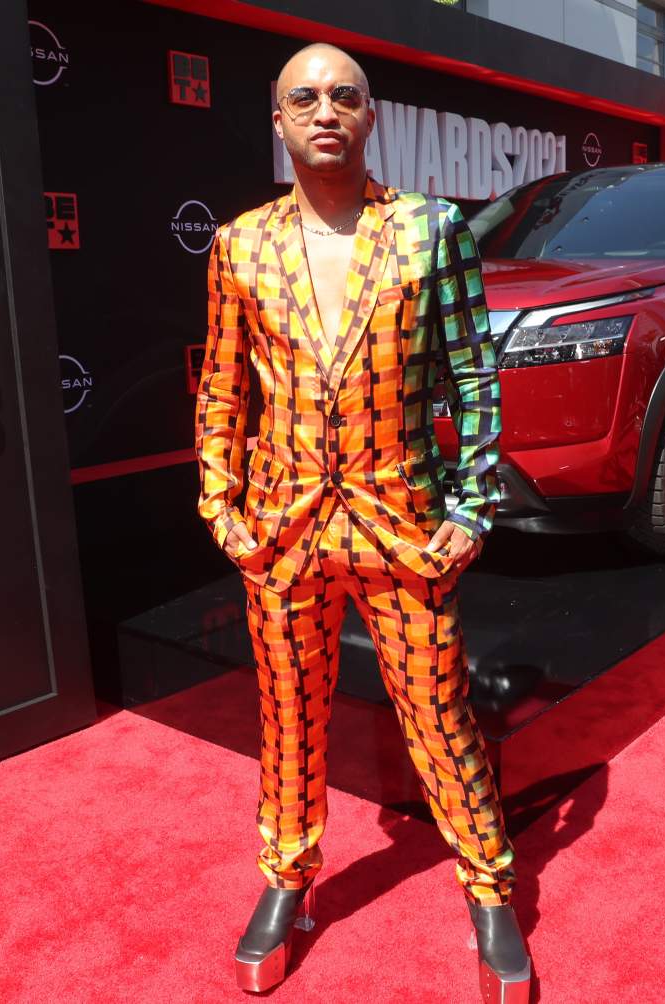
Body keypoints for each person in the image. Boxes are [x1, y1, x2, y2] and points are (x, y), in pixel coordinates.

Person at [193, 42, 533, 1002]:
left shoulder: (432, 232)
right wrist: (223, 508)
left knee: (439, 714)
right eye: (304, 98)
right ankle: (286, 878)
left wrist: (472, 507)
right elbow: (220, 389)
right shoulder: (239, 246)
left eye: (344, 96)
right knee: (288, 721)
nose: (325, 111)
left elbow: (474, 377)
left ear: (371, 115)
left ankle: (491, 889)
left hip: (406, 525)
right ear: (278, 119)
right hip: (281, 531)